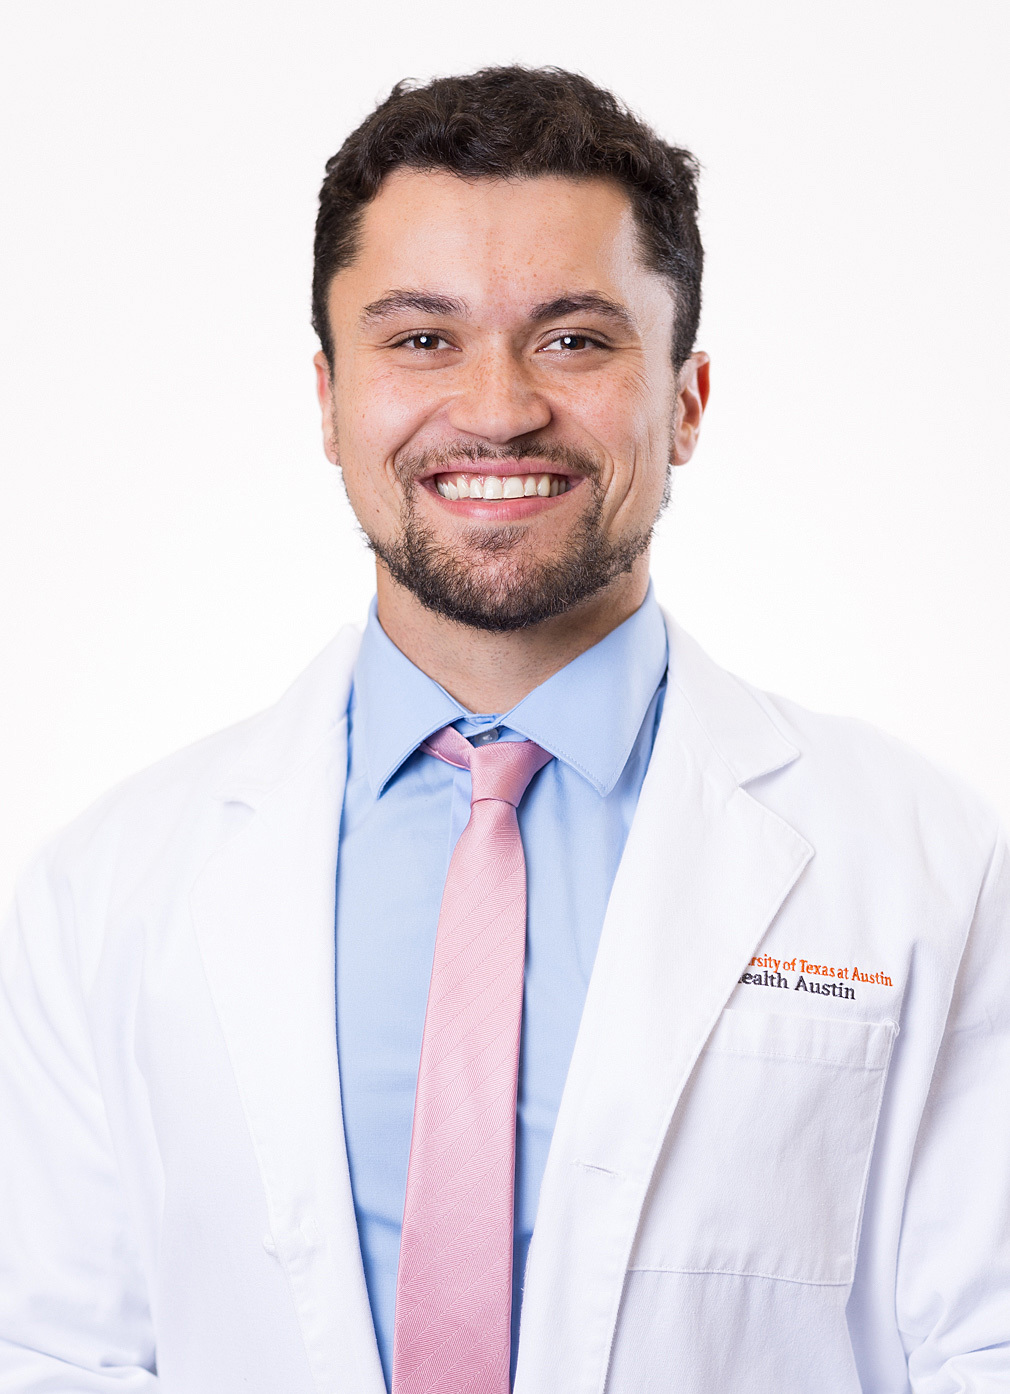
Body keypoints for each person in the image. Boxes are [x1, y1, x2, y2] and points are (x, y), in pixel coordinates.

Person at [1, 64, 1007, 1394]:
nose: (494, 407)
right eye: (420, 337)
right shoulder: (105, 889)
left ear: (685, 401)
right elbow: (60, 1354)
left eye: (575, 338)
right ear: (327, 398)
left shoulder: (927, 864)